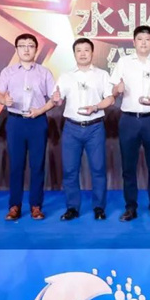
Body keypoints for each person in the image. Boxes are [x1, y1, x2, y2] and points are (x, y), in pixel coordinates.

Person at [110, 25, 150, 222]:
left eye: (147, 39)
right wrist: (117, 89)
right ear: (134, 42)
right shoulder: (123, 62)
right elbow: (113, 90)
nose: (143, 43)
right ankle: (130, 207)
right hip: (129, 120)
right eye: (140, 39)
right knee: (128, 167)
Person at [0, 33, 57, 221]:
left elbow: (55, 98)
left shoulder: (44, 72)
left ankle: (36, 206)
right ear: (16, 49)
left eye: (30, 46)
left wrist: (40, 110)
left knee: (37, 165)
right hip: (15, 122)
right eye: (22, 46)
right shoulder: (8, 72)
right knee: (16, 165)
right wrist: (4, 99)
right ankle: (14, 206)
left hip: (37, 121)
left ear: (36, 50)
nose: (26, 49)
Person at [54, 38, 114, 221]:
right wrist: (56, 99)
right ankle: (72, 208)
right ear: (74, 54)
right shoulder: (66, 76)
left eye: (86, 50)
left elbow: (110, 99)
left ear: (92, 53)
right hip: (71, 128)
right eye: (78, 50)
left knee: (98, 169)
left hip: (94, 127)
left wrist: (95, 107)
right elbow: (58, 99)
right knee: (70, 170)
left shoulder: (102, 75)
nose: (82, 53)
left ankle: (99, 207)